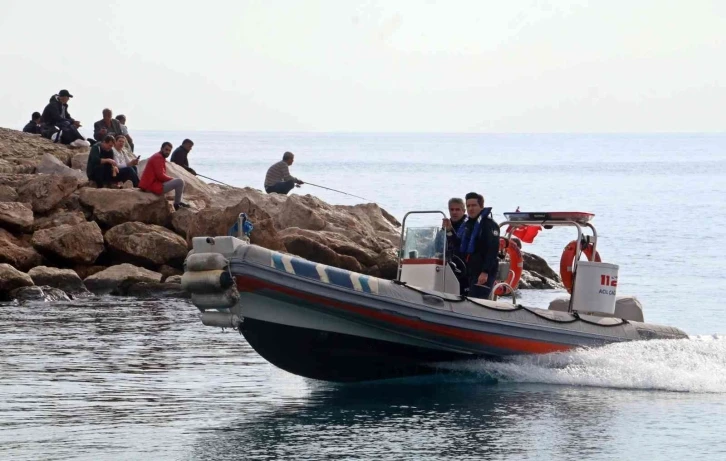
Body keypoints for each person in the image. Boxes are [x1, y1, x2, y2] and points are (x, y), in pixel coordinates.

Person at [451, 192, 500, 299]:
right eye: (468, 206)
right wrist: (449, 230)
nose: (471, 209)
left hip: (484, 271)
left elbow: (492, 250)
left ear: (481, 206)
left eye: (474, 205)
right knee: (470, 298)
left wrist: (485, 272)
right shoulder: (468, 224)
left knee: (477, 300)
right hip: (471, 270)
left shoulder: (489, 224)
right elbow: (459, 244)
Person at [139, 142, 189, 210]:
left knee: (178, 181)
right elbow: (160, 176)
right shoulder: (158, 157)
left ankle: (179, 201)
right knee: (180, 182)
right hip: (150, 186)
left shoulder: (159, 156)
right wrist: (172, 179)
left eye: (169, 151)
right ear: (161, 148)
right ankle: (177, 204)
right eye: (166, 149)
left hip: (152, 184)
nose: (167, 152)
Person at [441, 197, 468, 295]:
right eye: (452, 210)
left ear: (463, 211)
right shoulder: (446, 224)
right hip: (448, 264)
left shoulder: (468, 226)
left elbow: (460, 245)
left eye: (457, 209)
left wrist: (449, 231)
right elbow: (438, 243)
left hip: (464, 266)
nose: (454, 212)